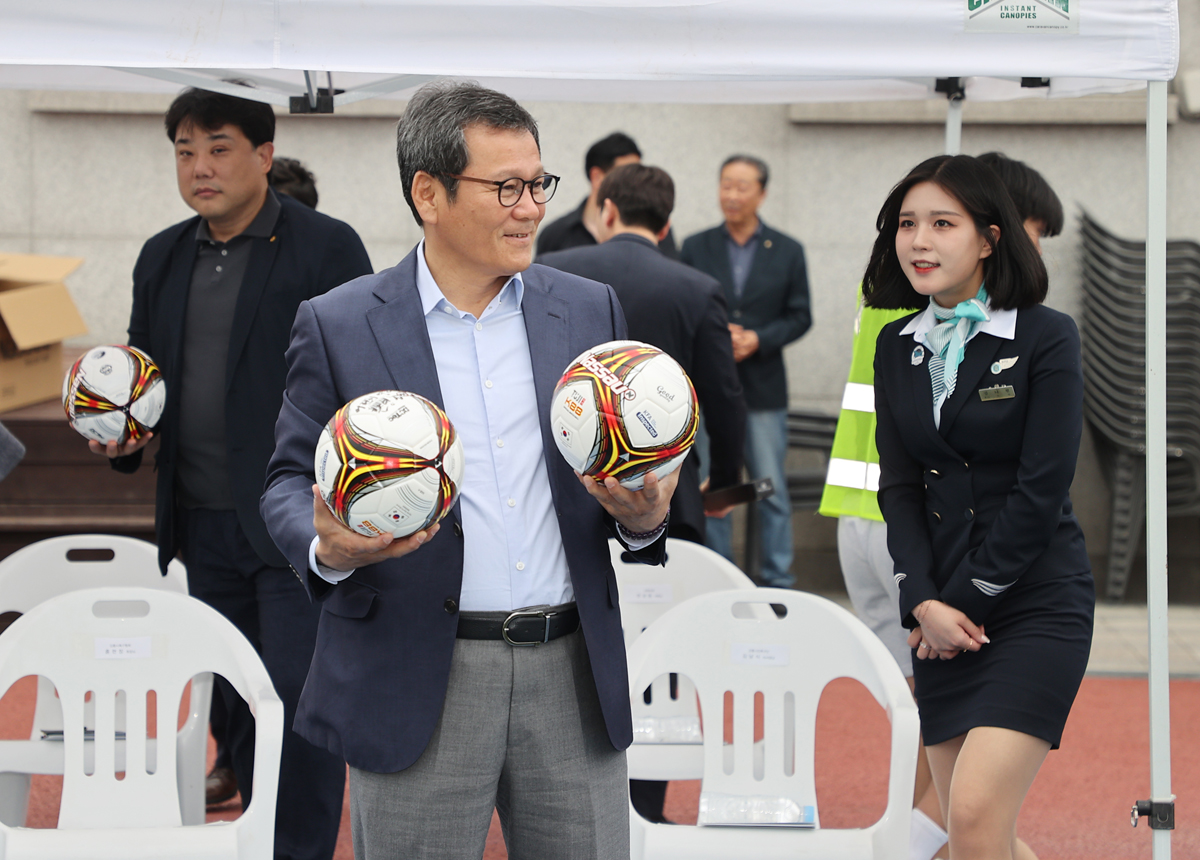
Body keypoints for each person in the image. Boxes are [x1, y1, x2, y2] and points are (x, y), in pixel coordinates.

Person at [259, 81, 675, 860]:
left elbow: (629, 467)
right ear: (429, 194)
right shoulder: (340, 322)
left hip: (573, 675)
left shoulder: (591, 310)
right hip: (416, 675)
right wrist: (327, 546)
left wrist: (645, 519)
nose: (532, 208)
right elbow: (286, 480)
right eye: (506, 187)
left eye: (538, 184)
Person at [92, 87, 373, 860]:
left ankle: (299, 850)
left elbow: (364, 376)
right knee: (229, 698)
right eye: (185, 151)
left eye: (218, 148)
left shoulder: (325, 246)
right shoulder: (162, 255)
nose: (199, 167)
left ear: (264, 155)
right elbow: (145, 380)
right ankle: (259, 838)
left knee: (295, 701)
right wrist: (120, 436)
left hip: (293, 523)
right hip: (199, 522)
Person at [819, 152, 1064, 860]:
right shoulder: (895, 342)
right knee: (974, 833)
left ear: (990, 238)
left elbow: (1042, 491)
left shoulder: (1045, 336)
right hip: (938, 614)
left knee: (976, 814)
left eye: (942, 224)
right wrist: (921, 602)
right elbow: (899, 487)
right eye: (907, 224)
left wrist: (956, 603)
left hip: (1031, 601)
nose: (919, 241)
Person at [539, 162, 746, 824]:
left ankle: (570, 800)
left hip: (567, 495)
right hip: (663, 502)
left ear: (605, 210)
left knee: (574, 647)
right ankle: (645, 809)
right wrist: (723, 483)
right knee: (660, 655)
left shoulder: (551, 270)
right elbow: (724, 399)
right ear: (667, 222)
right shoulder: (696, 287)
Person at [681, 155, 811, 587]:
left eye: (741, 186)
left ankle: (778, 580)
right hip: (708, 389)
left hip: (762, 391)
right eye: (726, 185)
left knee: (768, 488)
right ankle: (720, 579)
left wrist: (758, 338)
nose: (731, 195)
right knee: (713, 489)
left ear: (762, 193)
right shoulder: (696, 246)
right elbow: (685, 305)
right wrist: (717, 336)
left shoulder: (788, 250)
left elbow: (800, 316)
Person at [536, 132, 679, 258]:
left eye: (637, 172)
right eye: (626, 174)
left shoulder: (652, 225)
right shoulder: (556, 234)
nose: (636, 181)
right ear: (597, 177)